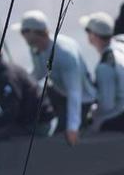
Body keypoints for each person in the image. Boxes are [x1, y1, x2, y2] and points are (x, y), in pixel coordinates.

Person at [15, 9, 96, 145]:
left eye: (23, 32)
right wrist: (20, 82)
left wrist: (72, 127)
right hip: (58, 90)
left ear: (34, 32)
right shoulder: (35, 47)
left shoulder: (64, 54)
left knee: (61, 135)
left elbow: (74, 92)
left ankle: (75, 129)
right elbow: (39, 73)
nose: (22, 36)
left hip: (83, 98)